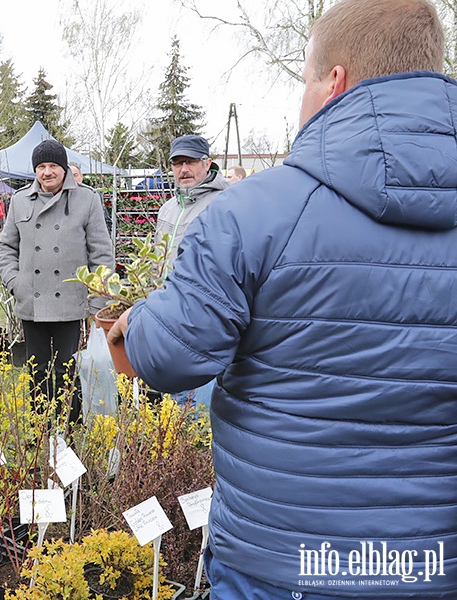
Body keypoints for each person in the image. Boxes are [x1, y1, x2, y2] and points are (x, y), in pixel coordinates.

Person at [110, 0, 457, 597]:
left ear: (334, 82)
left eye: (304, 81)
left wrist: (134, 321)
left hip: (283, 560)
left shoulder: (253, 212)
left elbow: (171, 356)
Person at [0, 139, 114, 422]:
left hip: (72, 304)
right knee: (36, 370)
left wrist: (97, 302)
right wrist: (16, 282)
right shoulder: (20, 200)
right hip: (32, 301)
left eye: (52, 166)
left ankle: (69, 429)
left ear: (63, 168)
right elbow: (6, 247)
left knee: (67, 370)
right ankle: (40, 429)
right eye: (40, 167)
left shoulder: (87, 199)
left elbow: (101, 252)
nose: (46, 172)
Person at [157, 134, 229, 269]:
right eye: (178, 163)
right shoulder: (166, 209)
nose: (184, 169)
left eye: (190, 162)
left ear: (207, 164)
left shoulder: (224, 206)